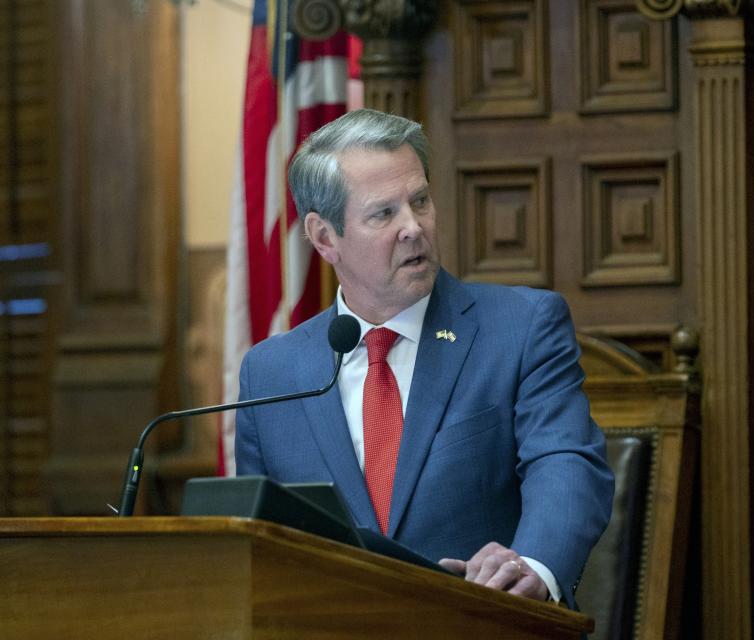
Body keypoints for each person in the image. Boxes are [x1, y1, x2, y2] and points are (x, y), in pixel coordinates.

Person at [235, 108, 613, 606]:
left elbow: (566, 462)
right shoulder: (271, 374)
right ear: (326, 237)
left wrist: (534, 567)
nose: (413, 227)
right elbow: (258, 542)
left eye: (420, 201)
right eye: (383, 213)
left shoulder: (521, 328)